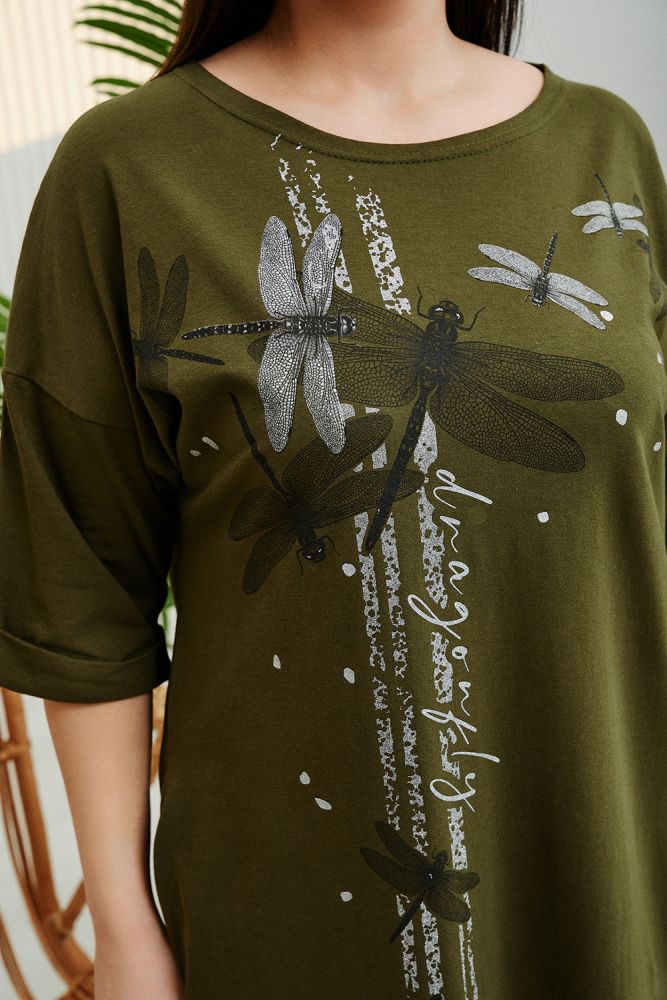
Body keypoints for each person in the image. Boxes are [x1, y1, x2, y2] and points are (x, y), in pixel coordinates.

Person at [0, 0, 665, 997]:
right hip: (289, 899)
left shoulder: (607, 144)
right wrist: (125, 930)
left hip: (604, 858)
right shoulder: (128, 167)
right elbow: (79, 591)